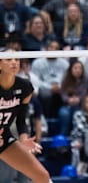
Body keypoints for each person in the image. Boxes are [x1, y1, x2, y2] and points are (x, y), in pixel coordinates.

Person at [0, 46, 50, 183]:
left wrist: (23, 139)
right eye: (8, 59)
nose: (14, 62)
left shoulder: (25, 87)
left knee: (42, 176)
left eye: (17, 59)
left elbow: (21, 120)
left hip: (4, 137)